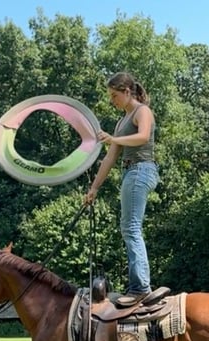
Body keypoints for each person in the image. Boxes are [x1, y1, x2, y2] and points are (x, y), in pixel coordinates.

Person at [84, 72, 159, 307]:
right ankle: (138, 286)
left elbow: (143, 136)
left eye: (114, 95)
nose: (112, 100)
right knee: (128, 228)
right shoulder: (120, 122)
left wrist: (114, 140)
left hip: (141, 170)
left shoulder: (142, 111)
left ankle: (140, 289)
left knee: (131, 228)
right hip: (130, 172)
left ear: (127, 92)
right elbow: (109, 159)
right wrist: (94, 188)